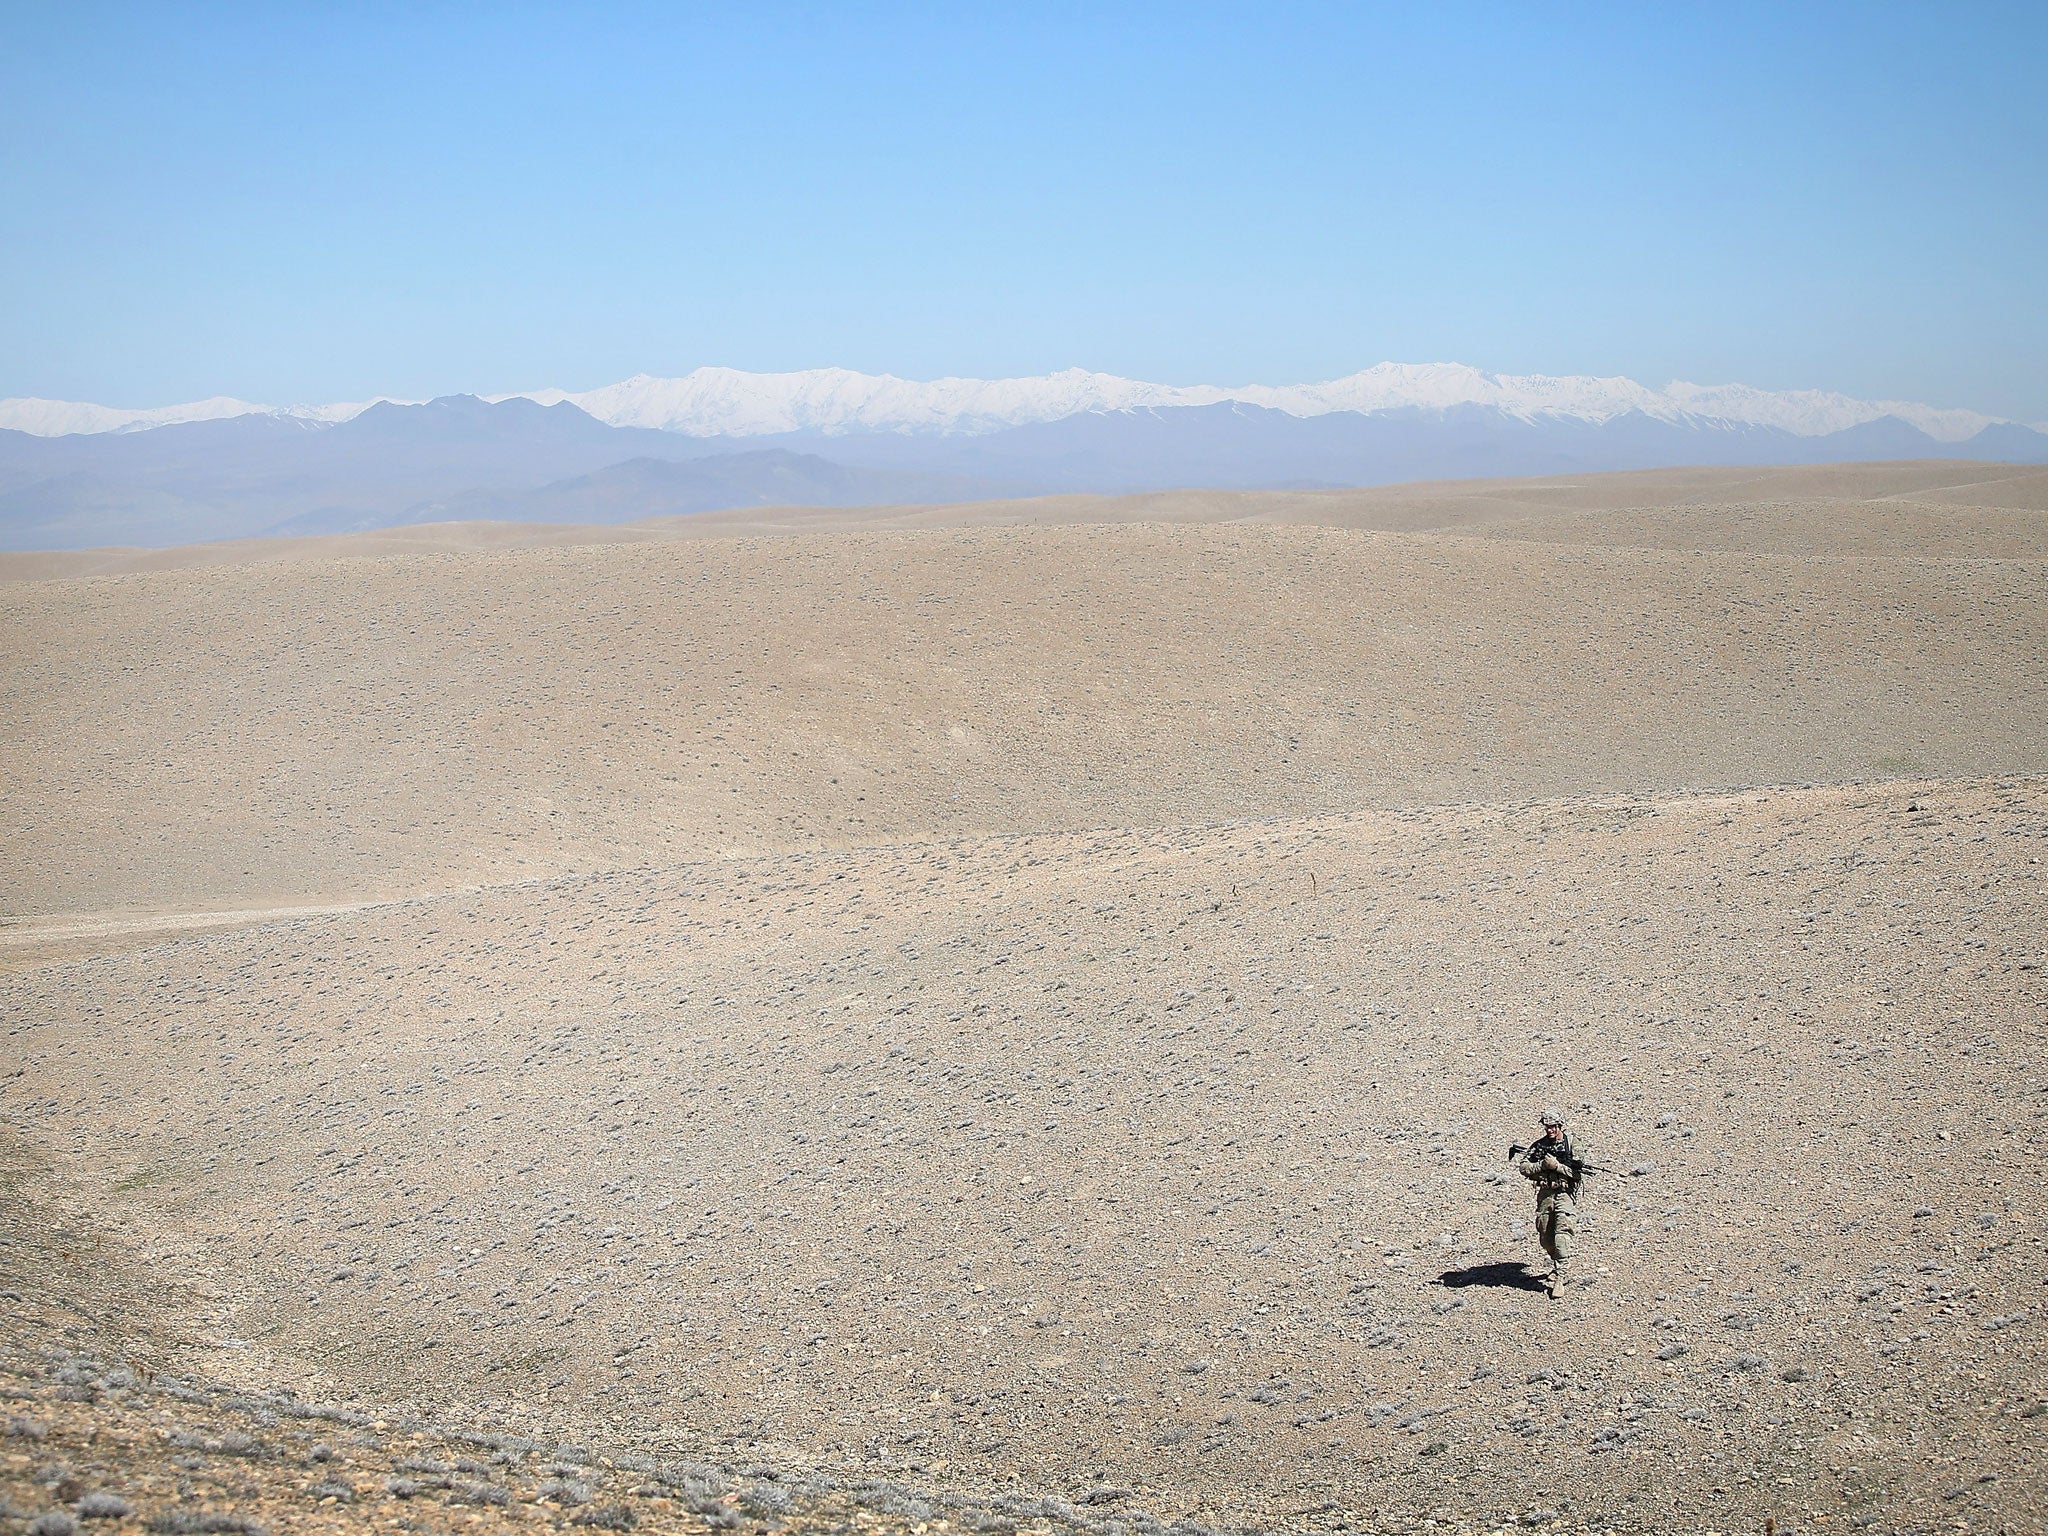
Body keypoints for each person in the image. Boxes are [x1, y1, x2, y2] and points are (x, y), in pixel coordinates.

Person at [1517, 1109, 1582, 1298]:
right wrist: (1542, 1166)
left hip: (1564, 1194)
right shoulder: (1539, 1146)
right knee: (1546, 1237)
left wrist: (1558, 1167)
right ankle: (1555, 1262)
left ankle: (1560, 1278)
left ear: (1560, 1126)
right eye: (1547, 1127)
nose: (1550, 1130)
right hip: (1545, 1195)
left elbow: (1578, 1173)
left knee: (1562, 1236)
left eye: (1553, 1127)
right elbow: (1524, 1167)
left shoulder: (1572, 1144)